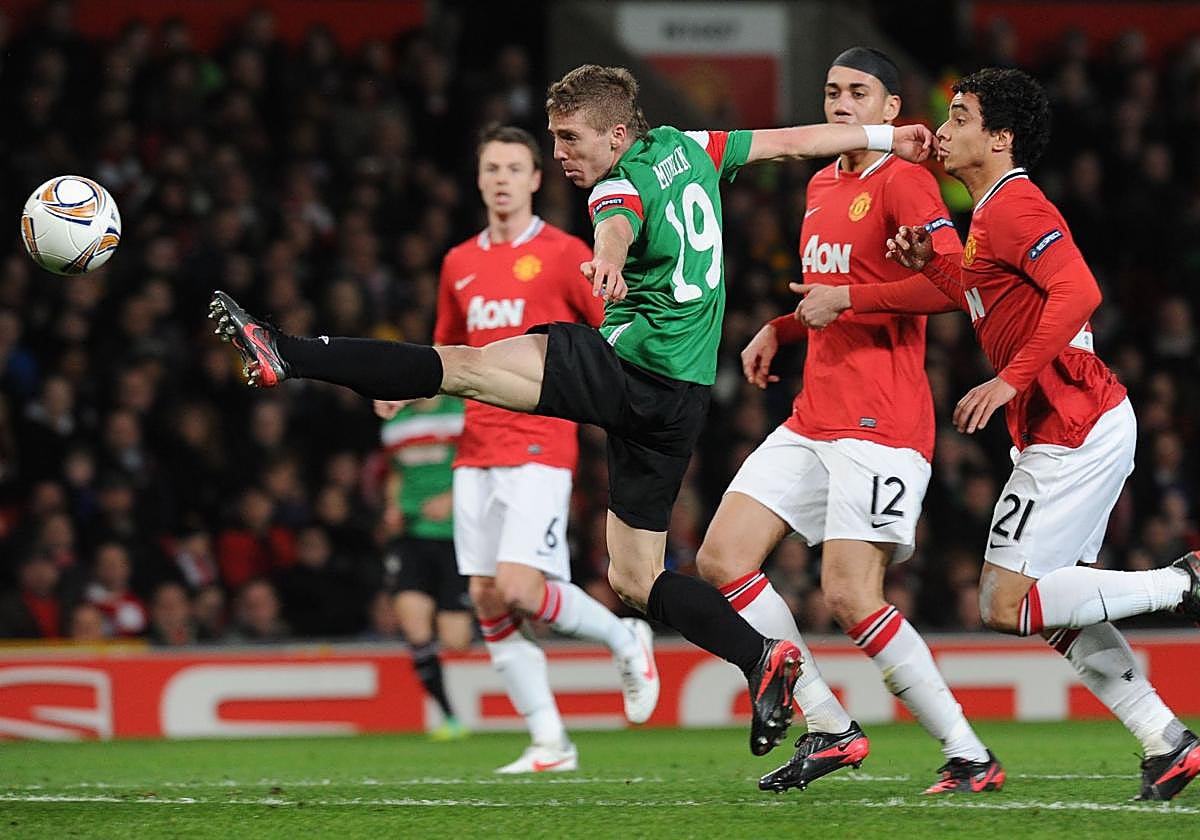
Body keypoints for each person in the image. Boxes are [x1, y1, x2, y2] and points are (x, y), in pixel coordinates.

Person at [209, 65, 937, 759]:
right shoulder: (694, 147)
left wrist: (610, 256)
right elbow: (793, 141)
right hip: (680, 398)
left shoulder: (614, 187)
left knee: (459, 366)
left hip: (628, 367)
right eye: (554, 138)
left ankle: (288, 351)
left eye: (569, 139)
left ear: (616, 137)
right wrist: (884, 138)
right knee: (635, 577)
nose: (559, 154)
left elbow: (615, 223)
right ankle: (762, 657)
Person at [796, 67, 1200, 802]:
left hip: (1073, 419)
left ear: (1000, 136)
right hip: (1067, 422)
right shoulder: (985, 215)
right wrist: (929, 271)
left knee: (1004, 602)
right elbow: (974, 290)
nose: (943, 132)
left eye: (958, 117)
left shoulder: (1015, 205)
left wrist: (1009, 378)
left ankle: (1183, 582)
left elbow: (1081, 290)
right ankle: (1166, 741)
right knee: (1054, 611)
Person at [696, 47, 1000, 796]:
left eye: (857, 93)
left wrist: (848, 303)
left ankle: (969, 756)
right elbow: (831, 291)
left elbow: (957, 287)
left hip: (883, 421)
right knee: (720, 557)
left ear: (891, 110)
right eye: (831, 92)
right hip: (814, 415)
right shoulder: (821, 182)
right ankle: (829, 725)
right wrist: (783, 325)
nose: (840, 105)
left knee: (850, 595)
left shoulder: (906, 181)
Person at [428, 125, 658, 773]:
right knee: (486, 597)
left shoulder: (563, 255)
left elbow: (612, 327)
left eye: (514, 167)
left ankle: (625, 634)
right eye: (491, 167)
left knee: (521, 587)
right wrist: (403, 394)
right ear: (479, 180)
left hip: (541, 440)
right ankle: (549, 741)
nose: (501, 178)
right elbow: (451, 352)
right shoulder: (458, 264)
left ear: (535, 179)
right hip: (476, 448)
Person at [375, 394, 473, 742]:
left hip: (455, 536)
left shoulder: (461, 414)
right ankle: (449, 717)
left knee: (456, 639)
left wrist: (453, 497)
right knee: (414, 626)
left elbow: (482, 464)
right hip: (411, 535)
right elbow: (396, 473)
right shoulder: (395, 424)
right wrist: (392, 506)